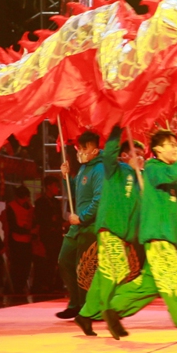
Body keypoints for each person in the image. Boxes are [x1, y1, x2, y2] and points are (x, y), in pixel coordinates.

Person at [105, 130, 177, 342]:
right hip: (158, 238)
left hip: (165, 238)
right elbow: (172, 174)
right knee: (175, 278)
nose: (176, 148)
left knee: (149, 285)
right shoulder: (154, 169)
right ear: (157, 150)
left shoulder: (170, 176)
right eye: (171, 144)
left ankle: (114, 309)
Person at [74, 129, 145, 337]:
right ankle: (109, 313)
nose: (138, 158)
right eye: (134, 153)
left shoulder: (139, 178)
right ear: (123, 155)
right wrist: (116, 128)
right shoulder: (115, 170)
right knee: (116, 270)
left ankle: (85, 315)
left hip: (122, 234)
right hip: (110, 228)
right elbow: (110, 151)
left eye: (141, 154)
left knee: (105, 274)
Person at [56, 133, 104, 319]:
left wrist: (82, 218)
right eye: (80, 148)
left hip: (90, 226)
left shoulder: (99, 169)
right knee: (65, 260)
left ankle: (87, 307)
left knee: (84, 267)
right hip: (78, 225)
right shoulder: (85, 168)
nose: (81, 152)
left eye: (84, 149)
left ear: (95, 150)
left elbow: (98, 199)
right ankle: (76, 303)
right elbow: (76, 188)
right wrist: (66, 177)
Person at [32, 176, 64, 294]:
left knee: (58, 260)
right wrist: (52, 221)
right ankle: (45, 284)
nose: (57, 189)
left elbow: (59, 218)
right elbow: (40, 220)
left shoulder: (56, 202)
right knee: (46, 262)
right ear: (49, 187)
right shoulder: (40, 202)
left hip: (56, 236)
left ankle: (56, 284)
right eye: (55, 186)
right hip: (46, 236)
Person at [4, 185, 35, 296]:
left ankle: (21, 286)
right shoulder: (11, 207)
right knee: (16, 266)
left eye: (26, 198)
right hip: (16, 240)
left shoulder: (30, 207)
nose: (24, 200)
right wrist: (27, 231)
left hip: (28, 241)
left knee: (26, 265)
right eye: (22, 198)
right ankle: (14, 287)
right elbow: (12, 226)